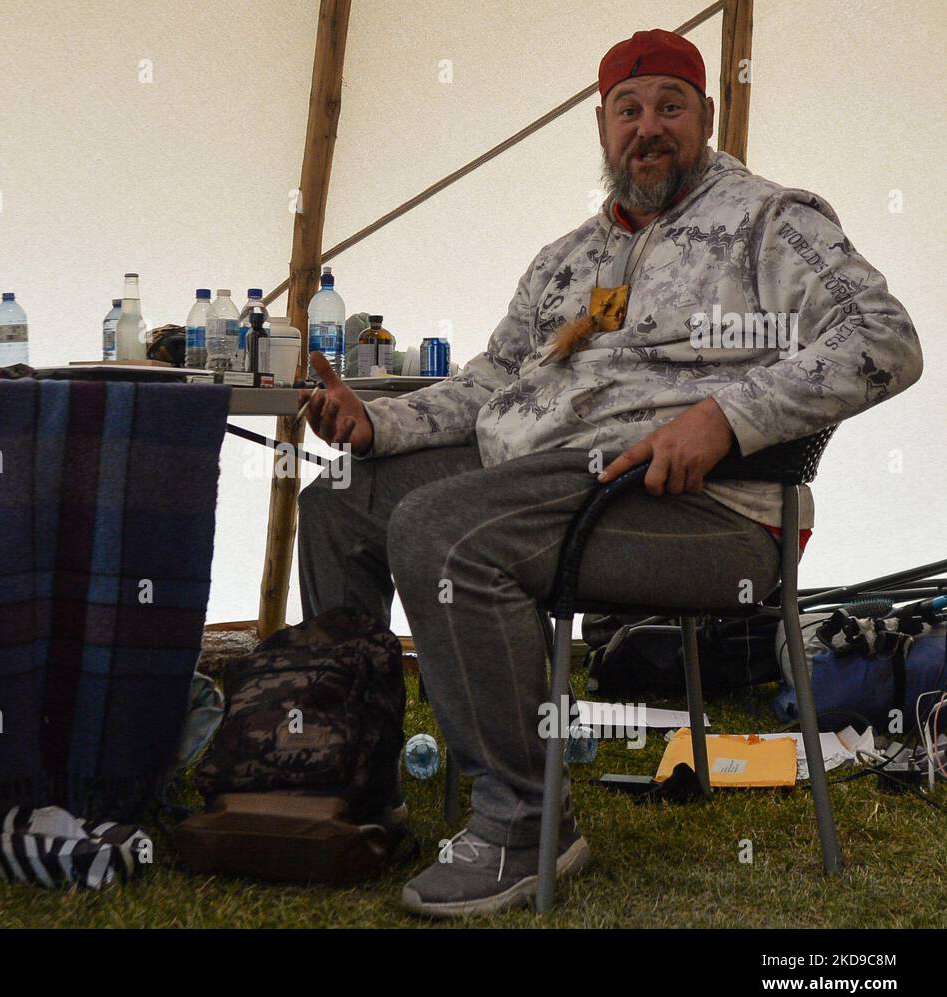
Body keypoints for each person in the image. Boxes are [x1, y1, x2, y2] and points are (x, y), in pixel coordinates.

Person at [295, 28, 922, 919]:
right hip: (540, 480)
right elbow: (489, 383)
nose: (648, 128)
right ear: (601, 126)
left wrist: (724, 418)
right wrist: (378, 421)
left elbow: (884, 340)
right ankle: (345, 779)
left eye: (670, 106)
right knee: (340, 505)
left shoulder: (771, 221)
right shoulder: (565, 260)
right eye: (628, 111)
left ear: (703, 115)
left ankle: (524, 822)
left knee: (443, 531)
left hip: (705, 513)